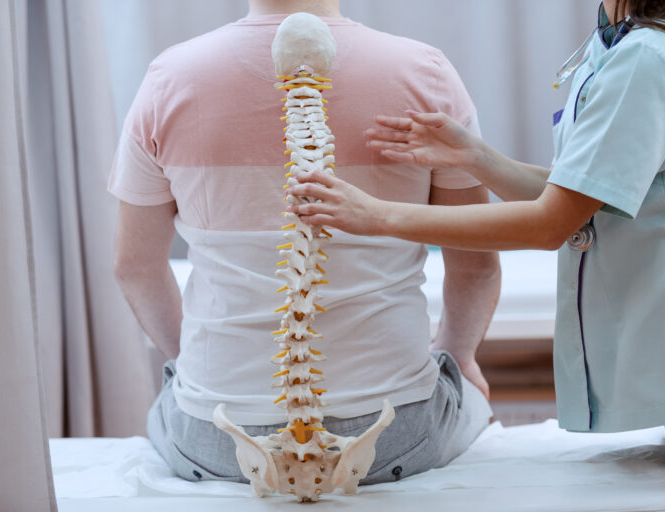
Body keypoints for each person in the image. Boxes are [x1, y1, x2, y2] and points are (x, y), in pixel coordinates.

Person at [110, 0, 500, 484]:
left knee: (172, 393)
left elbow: (135, 266)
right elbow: (476, 264)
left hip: (215, 436)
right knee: (465, 390)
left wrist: (192, 367)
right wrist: (458, 357)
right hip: (394, 432)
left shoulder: (168, 78)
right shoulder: (426, 72)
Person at [287, 0, 665, 471]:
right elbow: (580, 194)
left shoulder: (646, 55)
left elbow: (550, 224)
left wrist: (378, 216)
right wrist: (474, 156)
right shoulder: (619, 47)